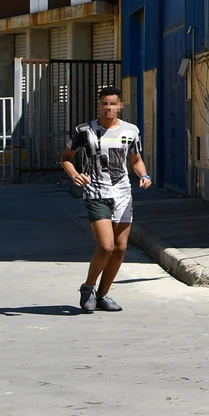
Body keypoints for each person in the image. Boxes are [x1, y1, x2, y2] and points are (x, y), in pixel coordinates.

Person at [61, 87, 152, 314]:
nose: (108, 108)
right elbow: (66, 158)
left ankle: (103, 294)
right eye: (104, 104)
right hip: (96, 192)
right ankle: (88, 287)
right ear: (99, 105)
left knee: (120, 248)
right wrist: (75, 175)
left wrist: (144, 175)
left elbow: (136, 159)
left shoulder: (131, 130)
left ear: (119, 106)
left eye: (113, 104)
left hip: (122, 193)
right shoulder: (84, 131)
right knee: (106, 246)